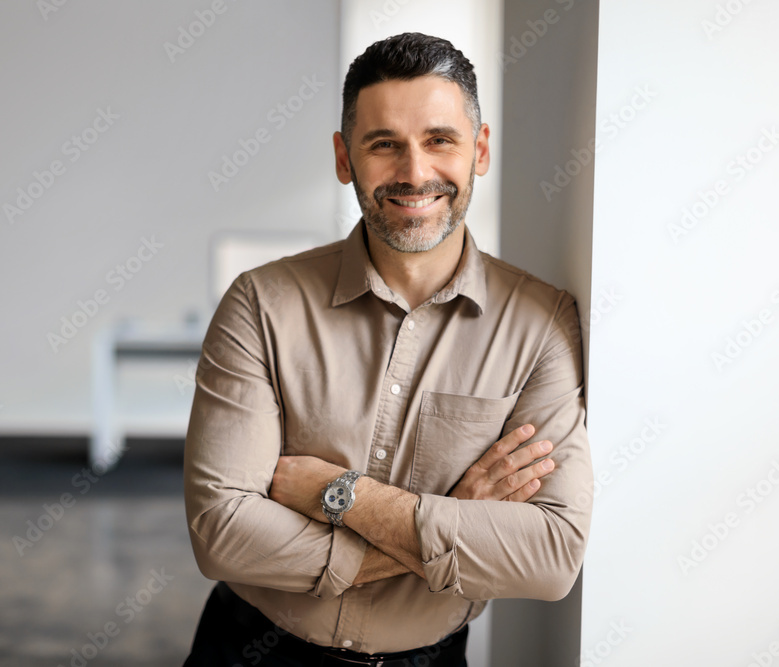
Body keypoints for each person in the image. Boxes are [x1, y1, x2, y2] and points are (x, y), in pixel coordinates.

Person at [182, 32, 592, 666]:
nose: (414, 173)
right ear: (345, 159)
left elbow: (551, 556)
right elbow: (223, 536)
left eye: (439, 140)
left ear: (478, 150)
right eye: (384, 145)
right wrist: (455, 521)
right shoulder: (261, 304)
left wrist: (343, 495)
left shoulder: (540, 324)